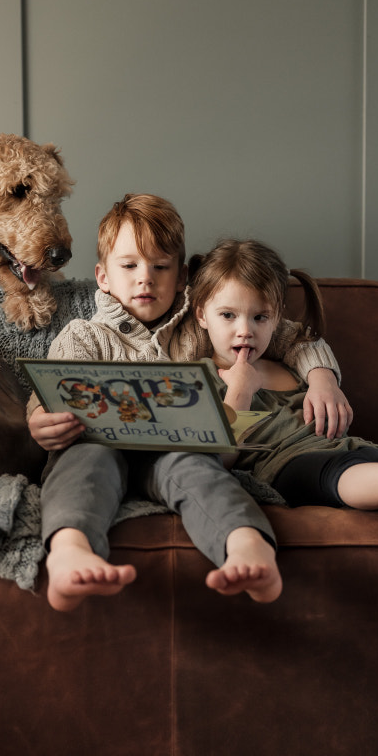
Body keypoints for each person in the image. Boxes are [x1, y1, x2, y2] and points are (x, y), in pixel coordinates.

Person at [27, 194, 351, 611]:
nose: (145, 279)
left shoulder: (197, 325)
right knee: (84, 463)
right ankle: (70, 551)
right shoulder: (84, 337)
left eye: (160, 267)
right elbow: (48, 393)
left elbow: (289, 336)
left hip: (175, 452)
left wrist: (323, 379)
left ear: (182, 278)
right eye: (129, 266)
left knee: (199, 468)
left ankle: (246, 545)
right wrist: (40, 419)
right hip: (97, 445)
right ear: (102, 277)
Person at [189, 238, 378, 548]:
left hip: (342, 446)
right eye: (228, 315)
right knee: (336, 473)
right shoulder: (200, 379)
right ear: (201, 315)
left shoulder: (290, 364)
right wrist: (239, 391)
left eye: (259, 317)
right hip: (286, 467)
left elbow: (309, 346)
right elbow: (219, 459)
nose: (245, 330)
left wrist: (322, 381)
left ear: (277, 317)